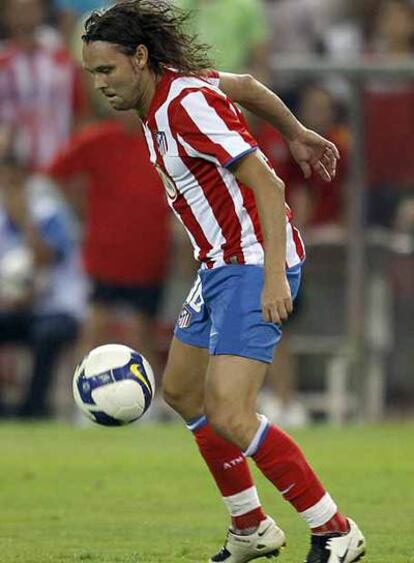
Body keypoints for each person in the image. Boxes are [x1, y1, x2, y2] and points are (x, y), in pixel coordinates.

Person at [81, 2, 366, 562]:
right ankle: (251, 527)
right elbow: (248, 85)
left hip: (251, 262)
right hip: (217, 263)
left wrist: (273, 277)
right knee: (184, 392)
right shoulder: (173, 91)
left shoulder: (184, 106)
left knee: (232, 412)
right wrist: (299, 131)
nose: (101, 84)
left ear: (140, 58)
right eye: (93, 73)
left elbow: (269, 184)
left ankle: (334, 529)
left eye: (107, 69)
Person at [46, 109, 171, 382]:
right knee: (95, 327)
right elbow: (57, 171)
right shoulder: (97, 140)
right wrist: (78, 207)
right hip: (105, 252)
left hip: (149, 253)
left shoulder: (162, 142)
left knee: (143, 330)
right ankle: (83, 389)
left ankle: (144, 395)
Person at [0, 150, 86, 419]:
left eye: (14, 183)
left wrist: (26, 221)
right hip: (16, 306)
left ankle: (34, 408)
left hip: (56, 307)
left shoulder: (48, 212)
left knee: (46, 334)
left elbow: (48, 258)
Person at [0, 0, 89, 170]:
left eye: (29, 8)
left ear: (41, 11)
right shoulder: (2, 62)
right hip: (10, 169)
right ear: (6, 14)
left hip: (57, 162)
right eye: (17, 10)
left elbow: (80, 112)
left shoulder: (62, 60)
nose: (24, 16)